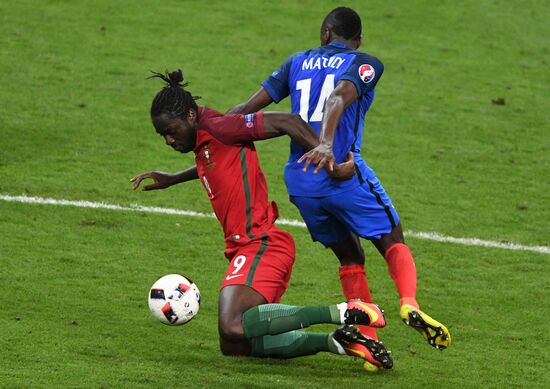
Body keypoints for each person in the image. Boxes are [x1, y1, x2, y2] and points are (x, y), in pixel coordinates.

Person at [227, 6, 451, 360]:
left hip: (300, 181)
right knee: (391, 235)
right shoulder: (365, 62)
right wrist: (327, 145)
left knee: (349, 254)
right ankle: (408, 302)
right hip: (340, 171)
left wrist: (206, 128)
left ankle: (365, 340)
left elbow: (247, 109)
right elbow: (337, 97)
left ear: (324, 33)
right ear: (358, 40)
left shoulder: (296, 61)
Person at [131, 69, 393, 370]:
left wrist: (329, 161)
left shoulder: (220, 127)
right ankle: (337, 341)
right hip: (245, 248)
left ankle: (347, 311)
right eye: (162, 134)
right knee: (235, 345)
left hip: (262, 244)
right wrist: (173, 178)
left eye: (171, 130)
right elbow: (213, 163)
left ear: (190, 115)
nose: (168, 139)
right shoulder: (207, 138)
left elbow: (288, 122)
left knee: (232, 325)